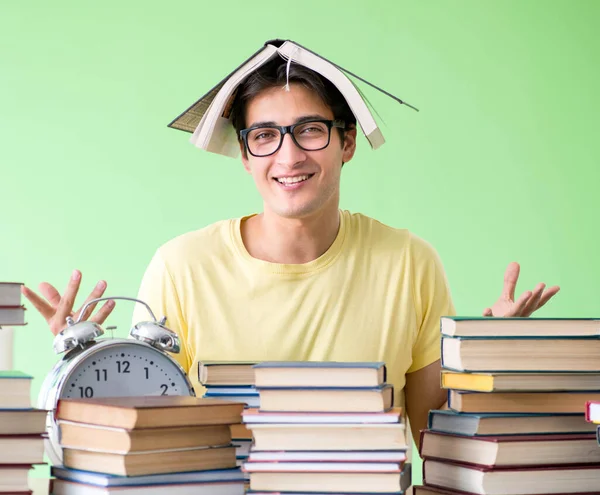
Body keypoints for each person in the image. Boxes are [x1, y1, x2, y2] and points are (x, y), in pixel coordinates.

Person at [22, 58, 559, 447]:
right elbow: (148, 439)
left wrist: (491, 359)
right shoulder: (181, 266)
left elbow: (434, 438)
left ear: (347, 142)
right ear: (246, 155)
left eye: (310, 130)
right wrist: (79, 366)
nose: (289, 154)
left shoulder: (411, 263)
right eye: (265, 136)